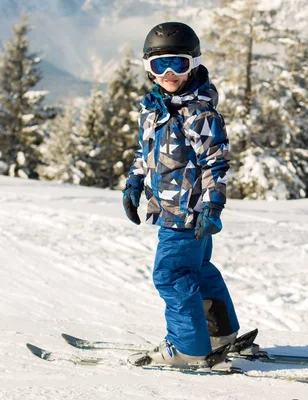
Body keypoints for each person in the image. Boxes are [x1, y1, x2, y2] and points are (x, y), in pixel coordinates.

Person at [122, 21, 240, 366]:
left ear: (194, 63)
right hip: (169, 207)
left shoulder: (199, 113)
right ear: (148, 68)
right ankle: (219, 332)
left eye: (179, 63)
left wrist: (212, 205)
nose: (170, 73)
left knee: (171, 275)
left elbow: (216, 164)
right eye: (161, 64)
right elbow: (144, 153)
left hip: (188, 212)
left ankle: (188, 348)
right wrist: (134, 183)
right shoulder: (154, 108)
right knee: (199, 271)